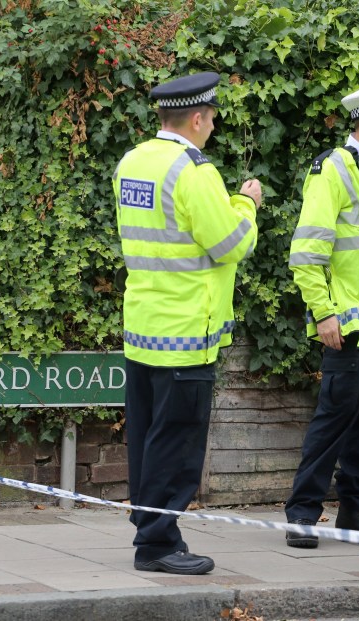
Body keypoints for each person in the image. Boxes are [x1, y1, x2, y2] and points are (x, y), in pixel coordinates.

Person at [113, 71, 261, 575]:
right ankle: (157, 544)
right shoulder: (194, 172)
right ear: (196, 119)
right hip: (186, 333)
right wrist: (246, 203)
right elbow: (231, 244)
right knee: (176, 444)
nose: (214, 127)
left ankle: (150, 531)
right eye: (213, 118)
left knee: (149, 438)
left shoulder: (132, 161)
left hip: (144, 325)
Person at [285, 80, 359, 548]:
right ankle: (302, 512)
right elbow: (307, 250)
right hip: (349, 322)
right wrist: (323, 312)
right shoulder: (332, 170)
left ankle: (356, 511)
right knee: (335, 418)